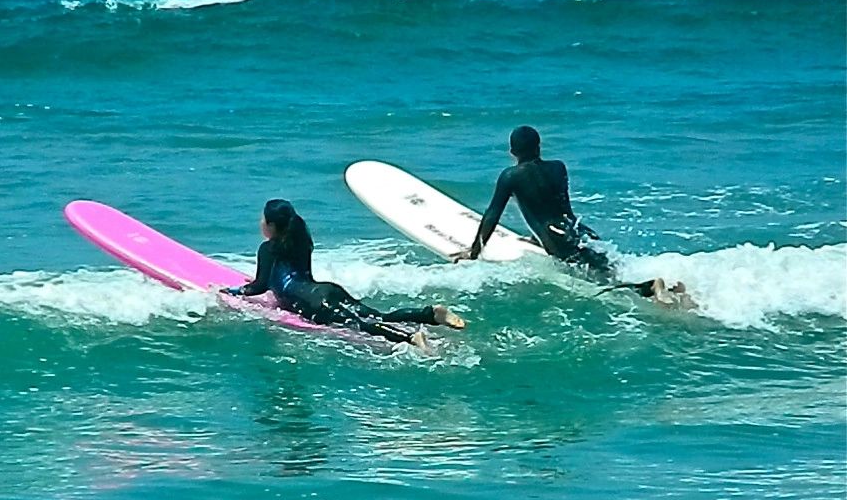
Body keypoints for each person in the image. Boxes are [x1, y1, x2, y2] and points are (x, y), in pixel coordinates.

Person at [451, 125, 686, 305]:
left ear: (512, 151)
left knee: (605, 285)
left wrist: (474, 252)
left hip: (558, 240)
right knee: (610, 267)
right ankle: (672, 288)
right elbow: (559, 208)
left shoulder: (510, 176)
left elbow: (493, 215)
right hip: (580, 231)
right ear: (539, 146)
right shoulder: (558, 167)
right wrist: (537, 239)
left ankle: (650, 287)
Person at [224, 199, 465, 350]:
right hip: (326, 290)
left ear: (271, 226)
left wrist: (232, 292)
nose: (260, 222)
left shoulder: (268, 248)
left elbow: (259, 286)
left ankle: (409, 338)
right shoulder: (301, 241)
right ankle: (430, 314)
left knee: (360, 324)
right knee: (376, 315)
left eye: (263, 219)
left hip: (314, 301)